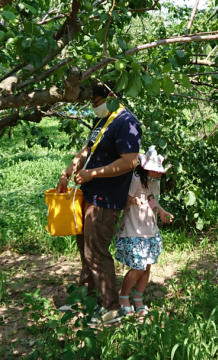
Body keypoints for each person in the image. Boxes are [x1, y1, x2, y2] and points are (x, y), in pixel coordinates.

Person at [56, 83, 142, 326]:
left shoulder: (127, 122)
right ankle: (87, 298)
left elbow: (129, 162)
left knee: (97, 253)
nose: (94, 107)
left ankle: (112, 309)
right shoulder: (103, 121)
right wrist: (67, 173)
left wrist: (93, 174)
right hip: (89, 196)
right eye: (91, 103)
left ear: (111, 96)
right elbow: (87, 150)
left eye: (96, 102)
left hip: (106, 199)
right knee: (86, 250)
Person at [115, 146, 174, 318]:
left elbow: (153, 200)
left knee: (146, 266)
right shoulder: (134, 181)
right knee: (138, 267)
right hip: (134, 230)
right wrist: (132, 201)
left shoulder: (156, 183)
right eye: (154, 171)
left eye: (158, 172)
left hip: (150, 231)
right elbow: (123, 203)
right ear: (144, 168)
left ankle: (138, 299)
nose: (157, 175)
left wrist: (161, 212)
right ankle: (123, 296)